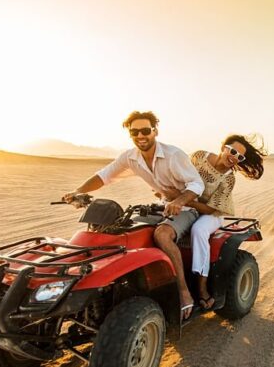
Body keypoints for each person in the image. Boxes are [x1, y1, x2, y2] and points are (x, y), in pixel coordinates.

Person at [62, 111, 204, 320]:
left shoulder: (174, 155)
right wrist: (78, 191)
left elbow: (197, 184)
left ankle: (183, 291)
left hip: (187, 208)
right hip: (162, 205)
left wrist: (179, 201)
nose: (140, 136)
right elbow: (104, 175)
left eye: (145, 130)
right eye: (134, 132)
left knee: (162, 235)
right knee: (118, 231)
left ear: (155, 131)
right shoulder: (130, 157)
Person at [185, 134, 266, 309]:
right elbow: (181, 176)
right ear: (224, 147)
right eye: (233, 151)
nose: (235, 157)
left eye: (240, 157)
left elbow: (210, 209)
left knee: (199, 230)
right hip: (186, 203)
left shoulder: (229, 178)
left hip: (212, 214)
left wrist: (185, 201)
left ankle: (202, 288)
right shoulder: (199, 156)